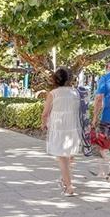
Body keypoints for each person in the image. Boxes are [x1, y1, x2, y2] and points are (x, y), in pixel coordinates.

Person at [42, 67, 81, 196]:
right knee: (69, 157)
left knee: (62, 159)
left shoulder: (53, 94)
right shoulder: (75, 93)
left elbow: (45, 113)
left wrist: (44, 124)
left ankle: (69, 187)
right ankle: (65, 179)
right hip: (72, 128)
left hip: (58, 128)